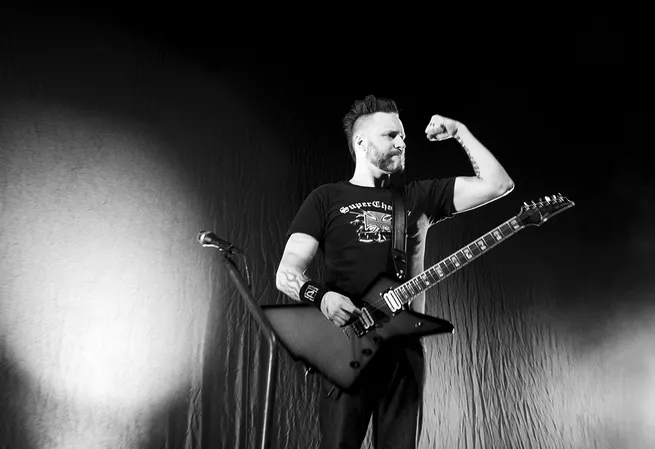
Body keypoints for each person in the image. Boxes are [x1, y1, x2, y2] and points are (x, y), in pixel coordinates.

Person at [275, 95, 514, 449]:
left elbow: (499, 185)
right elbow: (286, 273)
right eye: (390, 135)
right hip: (345, 350)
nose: (402, 142)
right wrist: (321, 296)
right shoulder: (325, 199)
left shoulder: (419, 197)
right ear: (361, 142)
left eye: (402, 135)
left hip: (403, 353)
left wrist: (459, 131)